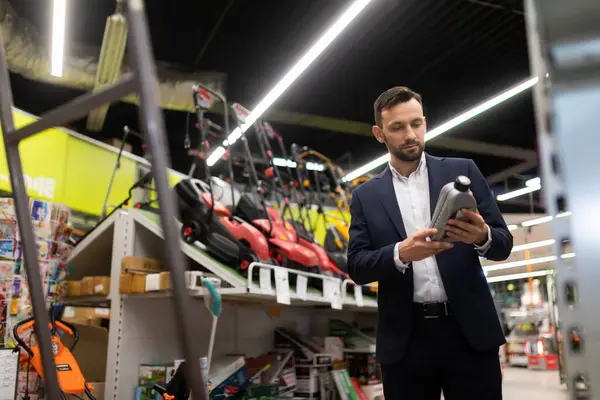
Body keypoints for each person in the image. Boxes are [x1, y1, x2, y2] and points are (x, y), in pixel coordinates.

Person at [347, 86, 513, 399]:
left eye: (416, 124)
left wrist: (482, 236)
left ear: (425, 122)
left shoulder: (462, 171)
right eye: (397, 127)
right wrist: (401, 253)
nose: (410, 134)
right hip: (406, 342)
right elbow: (357, 266)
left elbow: (503, 244)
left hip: (470, 334)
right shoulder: (365, 196)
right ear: (379, 133)